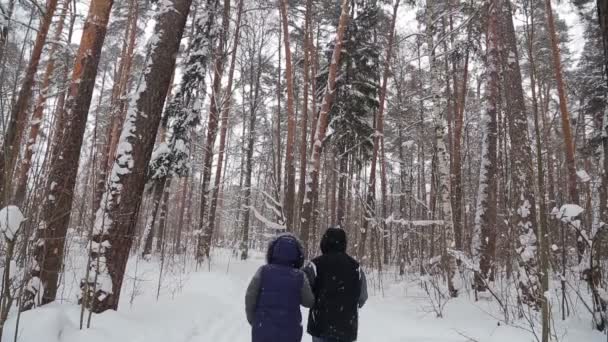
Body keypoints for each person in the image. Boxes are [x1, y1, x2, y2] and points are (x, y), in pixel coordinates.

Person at [245, 233, 315, 342]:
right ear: (298, 255)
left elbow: (250, 297)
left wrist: (254, 320)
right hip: (290, 331)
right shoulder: (300, 276)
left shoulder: (263, 271)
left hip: (263, 328)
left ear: (272, 252)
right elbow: (309, 302)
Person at [304, 227, 368, 342]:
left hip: (320, 327)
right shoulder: (356, 267)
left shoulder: (315, 265)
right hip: (347, 329)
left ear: (324, 242)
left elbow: (304, 292)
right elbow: (362, 298)